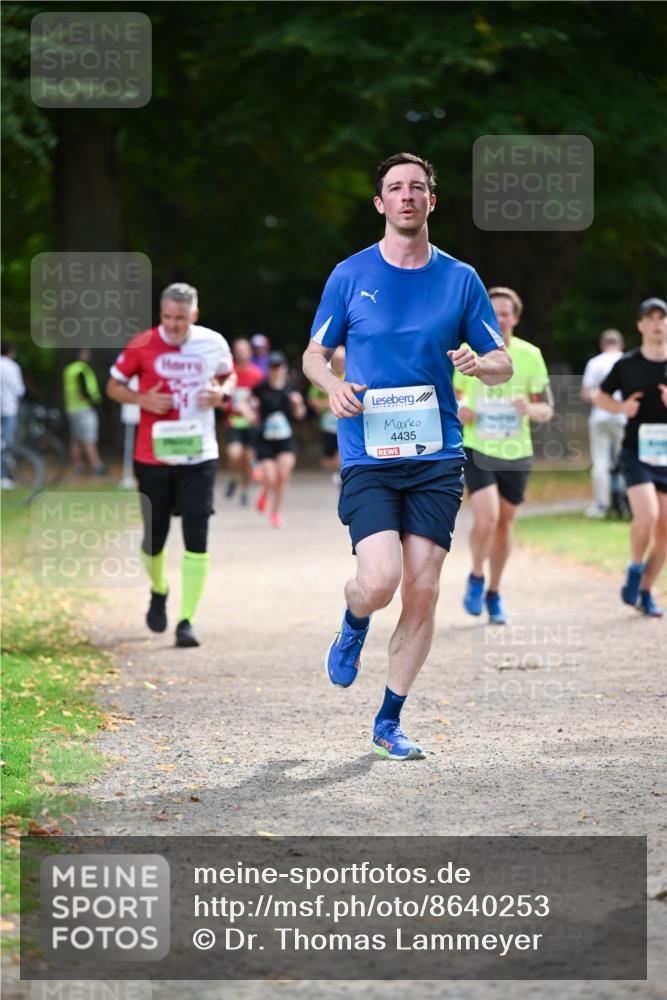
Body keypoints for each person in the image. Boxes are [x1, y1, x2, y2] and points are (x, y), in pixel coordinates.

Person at [303, 152, 512, 760]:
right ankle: (354, 620)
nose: (406, 196)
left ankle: (388, 721)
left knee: (423, 589)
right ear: (380, 203)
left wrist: (479, 363)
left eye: (417, 187)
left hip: (436, 455)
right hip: (368, 453)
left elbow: (502, 361)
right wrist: (331, 385)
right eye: (395, 188)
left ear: (431, 201)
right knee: (379, 581)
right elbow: (314, 354)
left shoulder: (460, 279)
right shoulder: (349, 274)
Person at [106, 282, 235, 647]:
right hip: (153, 457)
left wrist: (222, 394)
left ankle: (186, 621)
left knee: (196, 534)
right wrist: (141, 398)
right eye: (167, 317)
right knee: (154, 537)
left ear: (194, 315)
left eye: (180, 318)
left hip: (199, 455)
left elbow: (229, 375)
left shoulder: (213, 342)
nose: (173, 325)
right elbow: (113, 386)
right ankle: (159, 589)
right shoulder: (142, 344)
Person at [453, 287, 553, 625]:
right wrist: (462, 410)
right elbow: (455, 396)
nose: (499, 319)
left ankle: (494, 592)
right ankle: (476, 575)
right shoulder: (468, 352)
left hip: (516, 451)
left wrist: (530, 409)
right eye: (493, 313)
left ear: (516, 318)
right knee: (487, 519)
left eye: (505, 313)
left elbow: (546, 409)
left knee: (505, 524)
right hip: (478, 447)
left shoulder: (530, 355)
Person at [596, 297, 667, 617]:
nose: (657, 324)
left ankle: (646, 592)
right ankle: (635, 568)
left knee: (664, 532)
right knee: (648, 515)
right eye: (650, 318)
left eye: (662, 317)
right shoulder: (627, 364)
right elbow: (600, 396)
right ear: (640, 325)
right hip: (636, 453)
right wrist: (622, 407)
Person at [251, 350, 306, 528]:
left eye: (279, 366)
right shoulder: (261, 388)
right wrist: (249, 411)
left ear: (285, 368)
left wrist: (298, 404)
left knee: (283, 476)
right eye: (273, 366)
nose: (276, 370)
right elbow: (245, 401)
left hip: (285, 439)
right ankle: (265, 491)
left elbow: (300, 415)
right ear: (269, 368)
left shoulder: (291, 388)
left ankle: (275, 512)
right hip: (265, 439)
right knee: (271, 477)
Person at [581, 329, 626, 518]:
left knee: (600, 462)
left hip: (600, 417)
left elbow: (586, 393)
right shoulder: (627, 360)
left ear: (602, 345)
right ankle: (626, 502)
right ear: (621, 344)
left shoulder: (595, 362)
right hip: (622, 417)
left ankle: (601, 504)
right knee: (625, 461)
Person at [223, 338, 264, 506]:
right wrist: (227, 406)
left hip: (252, 423)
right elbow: (223, 398)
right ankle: (233, 478)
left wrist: (252, 410)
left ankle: (245, 491)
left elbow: (262, 398)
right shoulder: (229, 373)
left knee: (248, 459)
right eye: (238, 351)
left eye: (244, 350)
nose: (241, 354)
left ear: (250, 352)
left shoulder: (257, 374)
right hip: (233, 422)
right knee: (234, 454)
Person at [62, 348, 107, 476]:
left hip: (71, 408)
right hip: (84, 408)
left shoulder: (69, 369)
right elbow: (85, 389)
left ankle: (78, 465)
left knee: (75, 438)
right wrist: (95, 401)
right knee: (89, 437)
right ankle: (97, 465)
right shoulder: (82, 369)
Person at [307, 345, 346, 484]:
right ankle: (337, 472)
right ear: (332, 360)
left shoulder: (351, 375)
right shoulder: (324, 376)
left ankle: (341, 473)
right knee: (327, 460)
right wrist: (329, 403)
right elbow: (312, 399)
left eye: (343, 360)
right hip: (327, 425)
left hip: (345, 424)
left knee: (342, 451)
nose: (341, 363)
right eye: (338, 360)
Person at [0, 341, 26, 488]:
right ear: (10, 351)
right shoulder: (12, 367)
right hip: (9, 408)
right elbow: (19, 390)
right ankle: (4, 476)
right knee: (6, 443)